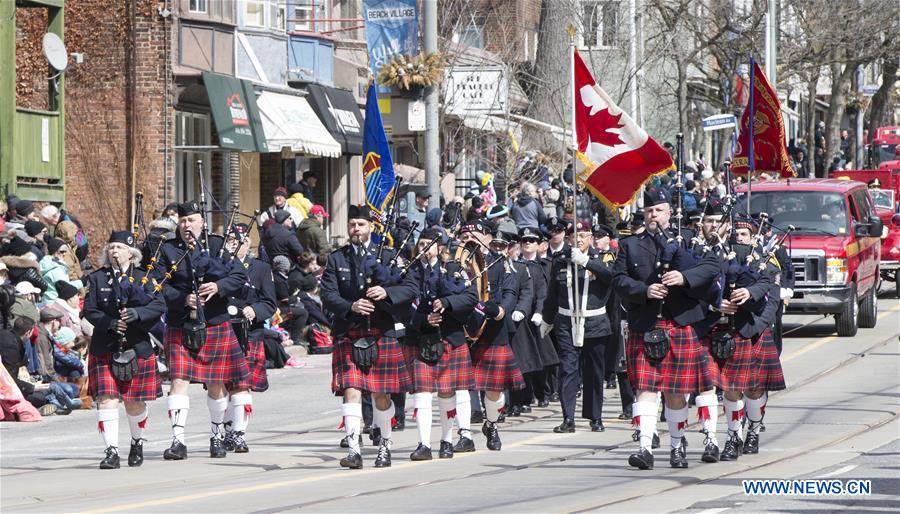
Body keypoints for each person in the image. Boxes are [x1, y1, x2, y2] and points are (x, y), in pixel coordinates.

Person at [613, 189, 720, 470]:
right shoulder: (630, 245)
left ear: (669, 213)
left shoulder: (688, 240)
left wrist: (684, 277)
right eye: (648, 211)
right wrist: (644, 290)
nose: (652, 216)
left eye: (658, 211)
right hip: (646, 324)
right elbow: (619, 280)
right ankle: (644, 447)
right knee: (645, 388)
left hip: (679, 322)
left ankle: (676, 445)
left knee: (676, 391)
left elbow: (712, 267)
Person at [320, 205, 417, 469]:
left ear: (370, 228)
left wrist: (387, 293)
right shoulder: (337, 259)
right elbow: (327, 294)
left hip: (381, 330)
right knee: (350, 390)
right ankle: (354, 450)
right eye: (352, 224)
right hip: (349, 331)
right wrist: (349, 306)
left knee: (381, 394)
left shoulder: (386, 256)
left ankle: (384, 444)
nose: (356, 229)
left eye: (361, 224)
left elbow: (410, 286)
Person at [155, 201, 251, 460]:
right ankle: (178, 441)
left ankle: (217, 436)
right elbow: (157, 284)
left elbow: (240, 277)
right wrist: (181, 298)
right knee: (178, 381)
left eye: (191, 220)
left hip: (214, 321)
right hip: (180, 323)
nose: (186, 226)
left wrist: (218, 287)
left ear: (202, 223)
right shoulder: (166, 249)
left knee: (216, 383)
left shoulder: (218, 246)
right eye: (183, 221)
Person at [83, 230, 167, 469]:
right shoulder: (97, 279)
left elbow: (159, 305)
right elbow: (90, 309)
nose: (114, 252)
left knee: (134, 402)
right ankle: (111, 451)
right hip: (105, 345)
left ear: (131, 253)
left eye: (119, 248)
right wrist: (109, 323)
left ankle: (137, 442)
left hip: (137, 345)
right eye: (111, 248)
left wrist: (137, 314)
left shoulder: (145, 277)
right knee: (106, 399)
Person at [400, 227, 478, 461]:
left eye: (430, 242)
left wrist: (446, 302)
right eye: (422, 241)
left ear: (440, 247)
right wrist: (424, 319)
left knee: (447, 394)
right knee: (422, 394)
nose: (425, 246)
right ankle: (423, 444)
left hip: (449, 337)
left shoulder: (453, 269)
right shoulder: (410, 271)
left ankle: (446, 440)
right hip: (421, 338)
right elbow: (403, 305)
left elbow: (471, 297)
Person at [458, 220, 525, 452]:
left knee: (494, 390)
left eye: (473, 233)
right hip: (463, 330)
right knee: (461, 386)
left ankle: (492, 424)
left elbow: (509, 290)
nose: (468, 237)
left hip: (492, 330)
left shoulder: (499, 261)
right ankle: (464, 434)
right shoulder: (457, 264)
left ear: (487, 237)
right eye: (464, 234)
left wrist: (501, 310)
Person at [542, 221, 614, 433]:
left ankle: (595, 417)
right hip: (566, 322)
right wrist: (547, 319)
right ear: (569, 239)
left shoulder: (602, 258)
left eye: (584, 235)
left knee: (594, 371)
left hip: (595, 323)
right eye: (575, 236)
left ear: (591, 237)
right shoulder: (561, 261)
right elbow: (552, 294)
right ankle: (568, 418)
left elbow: (610, 277)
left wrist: (586, 262)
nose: (579, 239)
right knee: (568, 370)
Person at [222, 223, 277, 454]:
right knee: (222, 388)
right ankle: (226, 431)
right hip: (223, 332)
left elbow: (270, 303)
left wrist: (255, 310)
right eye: (230, 242)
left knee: (242, 386)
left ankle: (239, 435)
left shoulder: (261, 269)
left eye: (238, 242)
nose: (233, 246)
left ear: (247, 244)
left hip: (249, 334)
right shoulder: (218, 267)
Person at [39, 238, 83, 304]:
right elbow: (65, 288)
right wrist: (82, 282)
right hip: (54, 303)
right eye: (61, 251)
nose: (64, 254)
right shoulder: (56, 270)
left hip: (48, 301)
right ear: (54, 251)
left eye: (65, 251)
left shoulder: (48, 263)